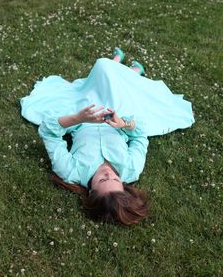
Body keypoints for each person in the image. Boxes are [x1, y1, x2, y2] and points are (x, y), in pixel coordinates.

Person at [20, 48, 195, 225]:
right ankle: (129, 71)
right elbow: (140, 137)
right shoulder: (131, 169)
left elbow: (49, 133)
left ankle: (124, 67)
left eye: (103, 180)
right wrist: (124, 124)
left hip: (86, 109)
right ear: (123, 185)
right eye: (115, 179)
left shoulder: (70, 171)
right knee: (107, 74)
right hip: (120, 110)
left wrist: (78, 118)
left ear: (91, 191)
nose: (108, 173)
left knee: (102, 67)